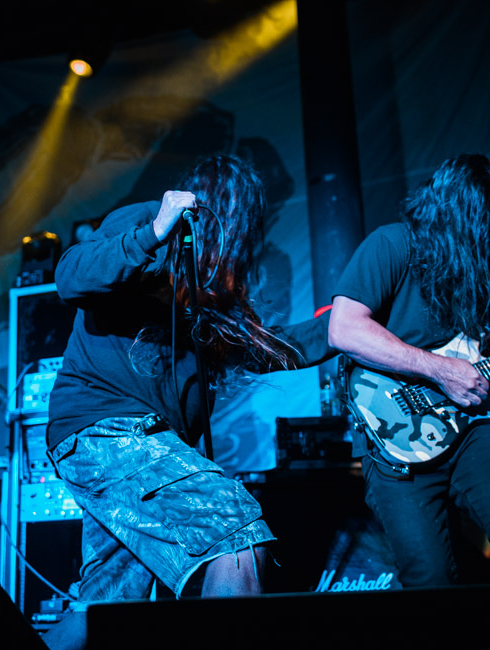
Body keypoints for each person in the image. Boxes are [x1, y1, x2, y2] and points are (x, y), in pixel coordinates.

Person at [45, 154, 329, 615]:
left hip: (136, 445)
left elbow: (259, 350)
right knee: (236, 535)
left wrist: (342, 330)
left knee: (107, 605)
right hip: (108, 428)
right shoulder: (146, 223)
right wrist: (154, 232)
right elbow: (71, 277)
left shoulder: (213, 283)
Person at [328, 153, 490, 587]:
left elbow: (476, 360)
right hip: (394, 438)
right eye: (479, 222)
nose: (487, 234)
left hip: (472, 428)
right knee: (430, 578)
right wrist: (439, 370)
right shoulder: (391, 244)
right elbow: (343, 329)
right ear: (452, 212)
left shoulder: (479, 274)